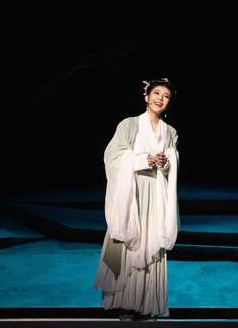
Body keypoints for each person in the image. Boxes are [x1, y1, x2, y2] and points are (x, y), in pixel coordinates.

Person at [93, 78, 180, 320]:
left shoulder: (170, 132)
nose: (160, 98)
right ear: (146, 96)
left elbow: (172, 162)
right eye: (156, 93)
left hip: (156, 193)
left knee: (152, 242)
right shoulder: (129, 125)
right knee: (128, 244)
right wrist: (144, 160)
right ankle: (125, 304)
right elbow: (112, 157)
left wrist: (166, 162)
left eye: (166, 96)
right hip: (131, 192)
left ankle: (147, 303)